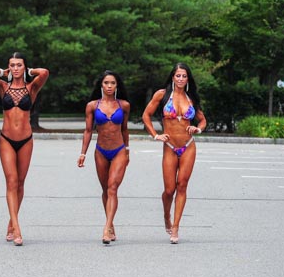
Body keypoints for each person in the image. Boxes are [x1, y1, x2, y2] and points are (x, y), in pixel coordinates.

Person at [0, 54, 49, 246]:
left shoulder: (31, 88)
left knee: (20, 183)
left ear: (24, 67)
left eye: (19, 65)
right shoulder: (3, 87)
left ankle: (11, 222)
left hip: (26, 140)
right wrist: (3, 72)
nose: (16, 68)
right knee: (11, 181)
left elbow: (44, 72)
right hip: (6, 140)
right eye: (12, 65)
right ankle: (17, 228)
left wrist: (30, 71)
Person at [141, 62, 208, 244]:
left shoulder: (191, 98)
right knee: (169, 190)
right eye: (178, 75)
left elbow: (203, 120)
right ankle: (166, 215)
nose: (181, 79)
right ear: (173, 77)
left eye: (184, 76)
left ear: (188, 79)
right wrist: (155, 135)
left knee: (182, 185)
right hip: (170, 147)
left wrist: (198, 129)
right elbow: (146, 115)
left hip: (188, 146)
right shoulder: (162, 95)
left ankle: (176, 227)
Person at [77, 71, 130, 245]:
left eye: (112, 83)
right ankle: (111, 224)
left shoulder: (124, 105)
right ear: (101, 85)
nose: (109, 86)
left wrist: (127, 150)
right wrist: (83, 153)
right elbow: (88, 130)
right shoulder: (92, 106)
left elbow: (124, 129)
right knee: (105, 190)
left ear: (117, 85)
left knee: (112, 187)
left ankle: (106, 228)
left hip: (119, 150)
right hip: (100, 151)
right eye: (106, 83)